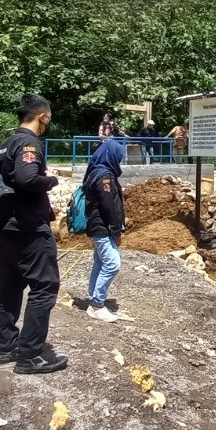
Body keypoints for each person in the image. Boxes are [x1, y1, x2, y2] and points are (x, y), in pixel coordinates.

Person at [0, 94, 67, 374]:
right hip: (27, 228)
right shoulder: (29, 142)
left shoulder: (6, 143)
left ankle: (5, 346)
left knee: (10, 286)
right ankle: (30, 355)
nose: (49, 122)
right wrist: (52, 179)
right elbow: (27, 178)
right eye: (49, 117)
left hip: (4, 228)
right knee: (44, 287)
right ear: (42, 116)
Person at [83, 138, 127, 323]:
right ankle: (97, 305)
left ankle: (94, 298)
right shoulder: (104, 177)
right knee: (112, 264)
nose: (120, 160)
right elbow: (108, 206)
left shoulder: (97, 172)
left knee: (100, 262)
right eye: (119, 156)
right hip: (102, 228)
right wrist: (116, 231)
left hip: (98, 227)